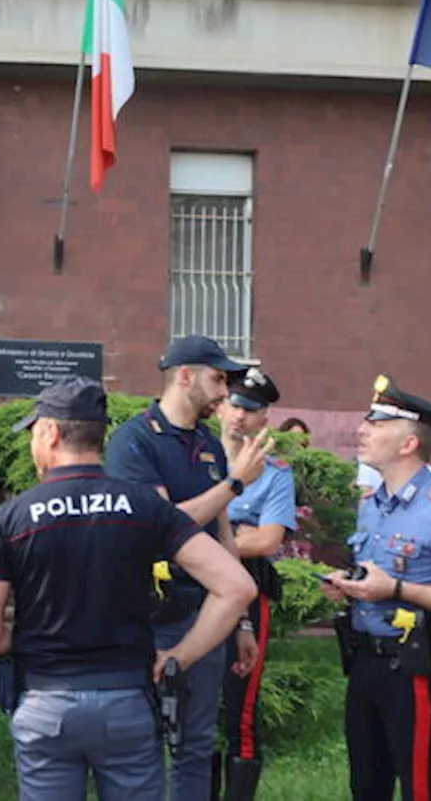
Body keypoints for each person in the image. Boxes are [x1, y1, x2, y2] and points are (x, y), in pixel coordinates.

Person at [0, 377, 255, 801]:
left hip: (47, 706)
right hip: (126, 701)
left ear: (49, 432)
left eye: (34, 433)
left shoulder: (11, 519)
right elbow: (236, 586)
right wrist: (180, 655)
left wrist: (29, 636)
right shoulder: (144, 507)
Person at [104, 334, 268, 801]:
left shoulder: (207, 444)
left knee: (195, 745)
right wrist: (236, 482)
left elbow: (222, 536)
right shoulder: (134, 441)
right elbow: (162, 525)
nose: (224, 392)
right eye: (217, 378)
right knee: (143, 742)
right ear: (184, 376)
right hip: (152, 617)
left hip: (208, 615)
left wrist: (240, 622)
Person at [321, 374, 431, 801]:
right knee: (366, 786)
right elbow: (378, 577)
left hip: (418, 668)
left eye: (377, 423)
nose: (362, 430)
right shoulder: (372, 505)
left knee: (420, 788)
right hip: (365, 661)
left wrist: (396, 590)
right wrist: (352, 587)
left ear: (408, 444)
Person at [216, 367, 298, 801]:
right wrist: (236, 536)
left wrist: (211, 536)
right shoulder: (198, 457)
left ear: (264, 417)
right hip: (190, 591)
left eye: (249, 410)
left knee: (240, 707)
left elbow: (268, 539)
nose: (237, 416)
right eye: (232, 404)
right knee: (192, 707)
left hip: (246, 594)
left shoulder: (274, 473)